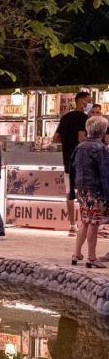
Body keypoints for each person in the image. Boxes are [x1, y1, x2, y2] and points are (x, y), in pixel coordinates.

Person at [69, 114, 109, 268]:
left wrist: (74, 190)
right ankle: (91, 258)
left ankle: (77, 253)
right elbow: (105, 174)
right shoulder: (101, 149)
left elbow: (72, 169)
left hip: (82, 190)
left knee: (84, 222)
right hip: (96, 191)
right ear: (103, 131)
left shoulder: (80, 147)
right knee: (94, 224)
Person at [53, 90, 91, 235]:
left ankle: (72, 225)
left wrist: (67, 141)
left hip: (67, 160)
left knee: (70, 193)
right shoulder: (83, 117)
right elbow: (81, 138)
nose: (89, 103)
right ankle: (84, 223)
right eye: (88, 100)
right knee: (83, 193)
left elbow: (55, 138)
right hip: (81, 161)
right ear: (81, 101)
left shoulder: (65, 117)